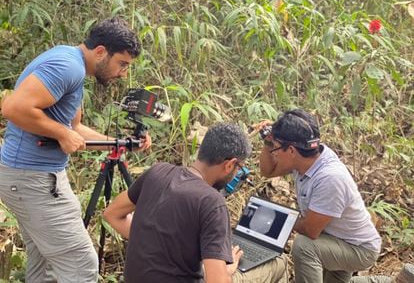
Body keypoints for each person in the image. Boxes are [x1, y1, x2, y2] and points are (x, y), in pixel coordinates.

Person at [0, 17, 151, 282]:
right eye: (122, 64)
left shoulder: (73, 65)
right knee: (81, 263)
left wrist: (121, 143)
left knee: (45, 261)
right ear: (102, 52)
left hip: (30, 177)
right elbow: (13, 109)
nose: (123, 73)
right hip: (32, 179)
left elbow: (75, 128)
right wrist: (61, 133)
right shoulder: (67, 67)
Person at [103, 122, 288, 283]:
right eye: (239, 167)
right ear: (229, 165)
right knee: (279, 263)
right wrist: (225, 271)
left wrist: (154, 242)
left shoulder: (157, 172)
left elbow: (112, 214)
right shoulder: (212, 202)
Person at [259, 109, 381, 283]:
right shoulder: (306, 155)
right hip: (334, 237)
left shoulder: (329, 177)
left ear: (291, 150)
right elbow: (267, 171)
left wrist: (277, 217)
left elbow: (310, 230)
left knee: (304, 247)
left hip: (357, 248)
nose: (274, 153)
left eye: (276, 148)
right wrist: (268, 142)